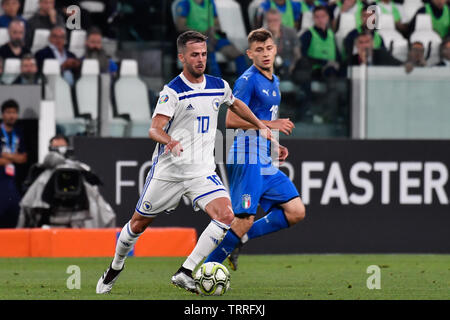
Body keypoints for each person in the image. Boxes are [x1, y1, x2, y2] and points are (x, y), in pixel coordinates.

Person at [96, 30, 272, 294]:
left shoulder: (218, 85)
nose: (200, 59)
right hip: (169, 172)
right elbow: (154, 129)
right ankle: (115, 267)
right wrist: (168, 140)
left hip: (201, 171)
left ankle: (185, 271)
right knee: (137, 225)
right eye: (194, 55)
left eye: (203, 54)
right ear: (182, 57)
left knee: (226, 216)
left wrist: (259, 125)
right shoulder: (172, 92)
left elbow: (235, 104)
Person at [183, 28, 306, 273]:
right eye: (259, 50)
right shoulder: (247, 80)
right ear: (250, 54)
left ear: (275, 49)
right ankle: (206, 270)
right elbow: (230, 119)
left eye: (269, 48)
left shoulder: (275, 80)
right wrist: (272, 125)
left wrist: (274, 143)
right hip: (246, 155)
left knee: (295, 211)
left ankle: (241, 239)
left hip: (263, 156)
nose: (265, 54)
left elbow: (260, 119)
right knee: (244, 218)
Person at [174, 0, 248, 78]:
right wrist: (201, 33)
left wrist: (213, 31)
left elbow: (217, 23)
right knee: (209, 52)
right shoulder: (185, 3)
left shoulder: (210, 2)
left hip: (213, 37)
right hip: (195, 40)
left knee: (238, 54)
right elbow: (180, 26)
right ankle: (217, 85)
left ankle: (244, 85)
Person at [0, 99, 27, 228]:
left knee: (15, 215)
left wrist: (6, 156)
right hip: (1, 181)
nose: (12, 115)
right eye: (8, 112)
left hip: (14, 182)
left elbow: (23, 158)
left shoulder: (19, 132)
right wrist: (14, 157)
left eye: (14, 112)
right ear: (2, 114)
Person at [300, 5, 341, 79]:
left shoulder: (331, 35)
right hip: (314, 71)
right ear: (313, 18)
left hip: (331, 69)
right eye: (317, 17)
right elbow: (303, 57)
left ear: (327, 17)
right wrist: (322, 62)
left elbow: (338, 56)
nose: (320, 19)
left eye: (323, 16)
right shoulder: (308, 34)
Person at [265, 8, 301, 79]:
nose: (273, 23)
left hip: (290, 65)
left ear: (280, 20)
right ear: (266, 22)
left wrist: (293, 65)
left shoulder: (291, 32)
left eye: (275, 20)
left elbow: (297, 54)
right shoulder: (262, 35)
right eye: (270, 21)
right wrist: (274, 35)